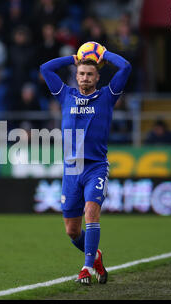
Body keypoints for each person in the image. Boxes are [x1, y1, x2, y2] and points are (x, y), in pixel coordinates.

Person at [40, 46, 131, 285]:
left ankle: (87, 267)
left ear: (97, 77)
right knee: (72, 231)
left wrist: (104, 53)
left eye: (90, 74)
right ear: (76, 75)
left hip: (95, 167)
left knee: (91, 213)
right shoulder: (65, 95)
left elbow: (126, 67)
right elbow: (45, 68)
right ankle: (96, 256)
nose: (85, 78)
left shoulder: (107, 96)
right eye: (81, 73)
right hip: (71, 170)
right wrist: (73, 58)